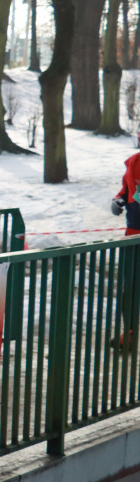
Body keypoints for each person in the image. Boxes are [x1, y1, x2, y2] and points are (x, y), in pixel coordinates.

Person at [109, 139, 140, 351]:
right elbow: (127, 187)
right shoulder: (134, 162)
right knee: (130, 287)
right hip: (134, 234)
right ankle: (130, 332)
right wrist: (119, 199)